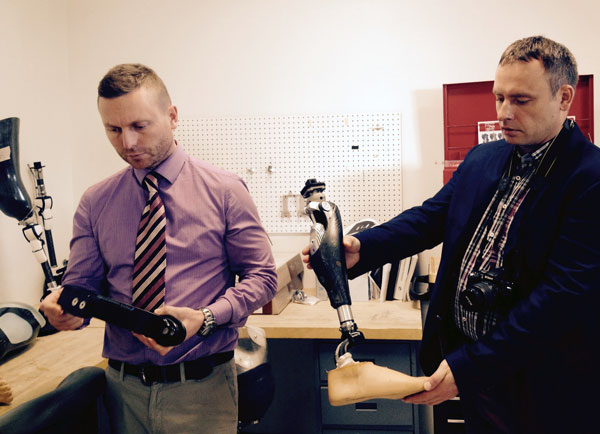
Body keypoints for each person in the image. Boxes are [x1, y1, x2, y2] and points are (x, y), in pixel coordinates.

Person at [304, 36, 600, 433]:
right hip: (478, 377)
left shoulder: (590, 178)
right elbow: (430, 219)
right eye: (499, 98)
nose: (504, 113)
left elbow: (559, 299)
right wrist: (364, 249)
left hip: (543, 385)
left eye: (521, 100)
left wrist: (471, 366)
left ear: (564, 99)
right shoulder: (485, 158)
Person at [40, 63, 277, 434]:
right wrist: (67, 312)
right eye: (113, 129)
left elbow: (263, 278)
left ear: (172, 116)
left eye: (139, 126)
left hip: (202, 391)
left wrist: (206, 317)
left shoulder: (225, 191)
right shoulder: (95, 202)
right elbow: (81, 289)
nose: (127, 143)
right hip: (122, 392)